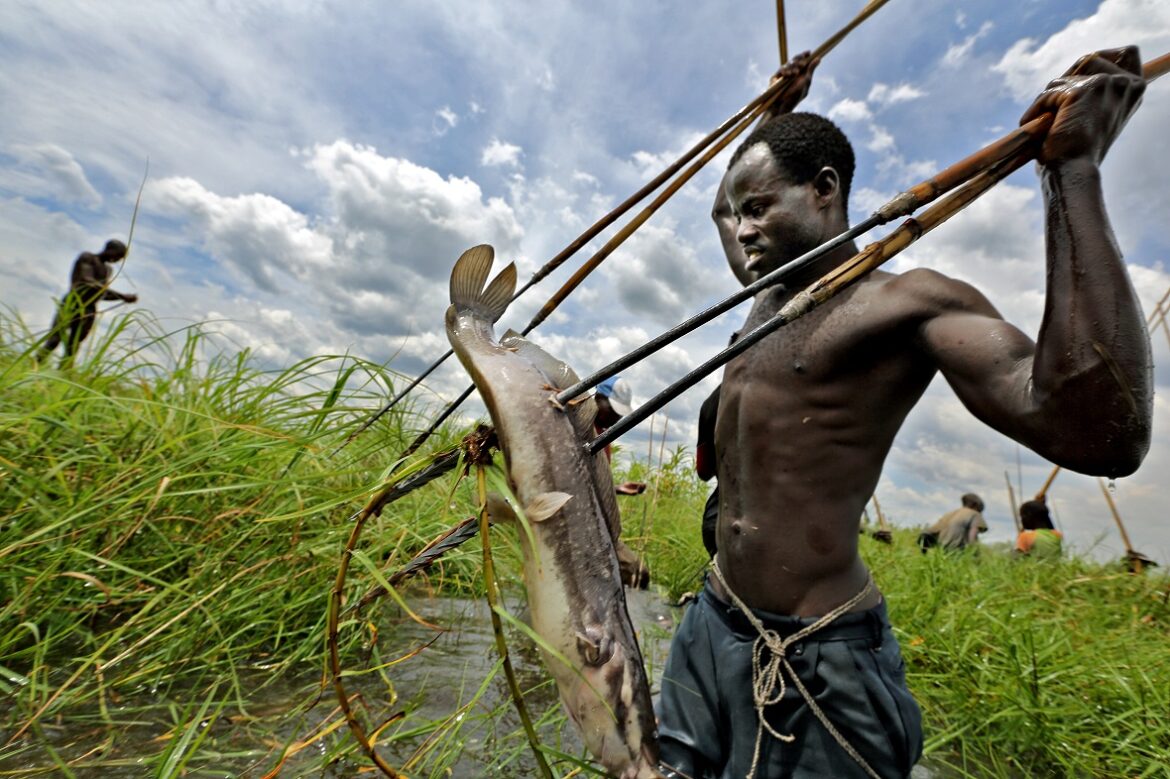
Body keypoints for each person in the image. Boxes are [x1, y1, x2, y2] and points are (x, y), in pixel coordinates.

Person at [657, 47, 1151, 779]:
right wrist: (776, 110)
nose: (741, 230)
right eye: (735, 215)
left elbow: (1098, 431)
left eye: (758, 208)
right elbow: (723, 204)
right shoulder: (765, 297)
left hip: (819, 650)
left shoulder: (905, 303)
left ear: (825, 190)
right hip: (714, 617)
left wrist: (1072, 171)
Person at [38, 239, 137, 364]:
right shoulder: (87, 258)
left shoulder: (108, 270)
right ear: (109, 250)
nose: (118, 260)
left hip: (89, 310)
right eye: (118, 255)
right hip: (73, 303)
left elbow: (102, 294)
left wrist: (122, 298)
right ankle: (36, 364)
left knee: (73, 346)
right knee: (54, 339)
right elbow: (86, 282)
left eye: (120, 258)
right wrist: (122, 296)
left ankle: (62, 371)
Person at [593, 375, 650, 587]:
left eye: (619, 414)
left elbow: (592, 482)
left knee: (639, 575)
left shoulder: (603, 436)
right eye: (613, 410)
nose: (616, 418)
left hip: (600, 526)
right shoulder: (579, 429)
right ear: (598, 398)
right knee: (634, 573)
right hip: (585, 526)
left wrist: (617, 488)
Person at [923, 493, 988, 552]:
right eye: (980, 510)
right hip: (957, 551)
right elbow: (972, 538)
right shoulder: (975, 514)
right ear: (975, 505)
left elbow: (927, 533)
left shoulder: (949, 514)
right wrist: (975, 555)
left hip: (941, 552)